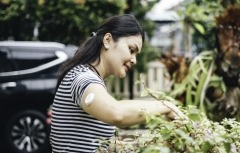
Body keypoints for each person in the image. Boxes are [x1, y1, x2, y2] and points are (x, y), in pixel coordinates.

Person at [50, 14, 186, 152]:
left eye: (136, 55)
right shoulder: (82, 78)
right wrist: (166, 106)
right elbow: (116, 113)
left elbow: (104, 147)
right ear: (108, 40)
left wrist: (156, 144)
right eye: (131, 50)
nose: (134, 60)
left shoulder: (91, 80)